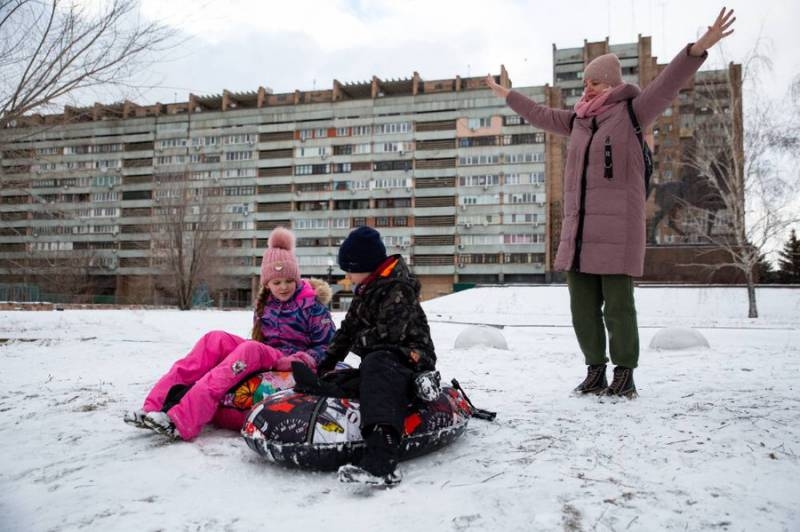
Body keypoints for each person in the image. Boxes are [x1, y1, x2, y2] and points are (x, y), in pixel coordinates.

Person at [486, 8, 735, 398]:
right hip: (579, 234)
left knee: (618, 309)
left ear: (612, 85)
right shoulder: (577, 122)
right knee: (582, 310)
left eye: (596, 84)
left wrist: (699, 48)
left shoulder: (634, 111)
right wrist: (509, 95)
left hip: (617, 232)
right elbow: (539, 113)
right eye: (586, 83)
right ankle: (594, 371)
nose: (587, 90)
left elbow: (669, 84)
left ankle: (624, 374)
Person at [124, 227, 336, 440]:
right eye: (277, 282)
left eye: (289, 281)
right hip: (269, 354)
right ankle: (153, 406)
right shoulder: (266, 305)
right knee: (214, 339)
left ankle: (182, 419)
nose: (283, 287)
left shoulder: (312, 305)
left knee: (250, 349)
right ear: (267, 283)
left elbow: (328, 347)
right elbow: (260, 340)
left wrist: (300, 359)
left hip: (290, 361)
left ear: (297, 279)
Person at [316, 226, 437, 486]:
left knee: (377, 362)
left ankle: (383, 459)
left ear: (366, 265)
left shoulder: (398, 289)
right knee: (355, 375)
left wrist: (358, 343)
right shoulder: (366, 291)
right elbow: (348, 330)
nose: (347, 276)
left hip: (411, 355)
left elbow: (389, 335)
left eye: (349, 269)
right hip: (382, 359)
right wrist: (325, 363)